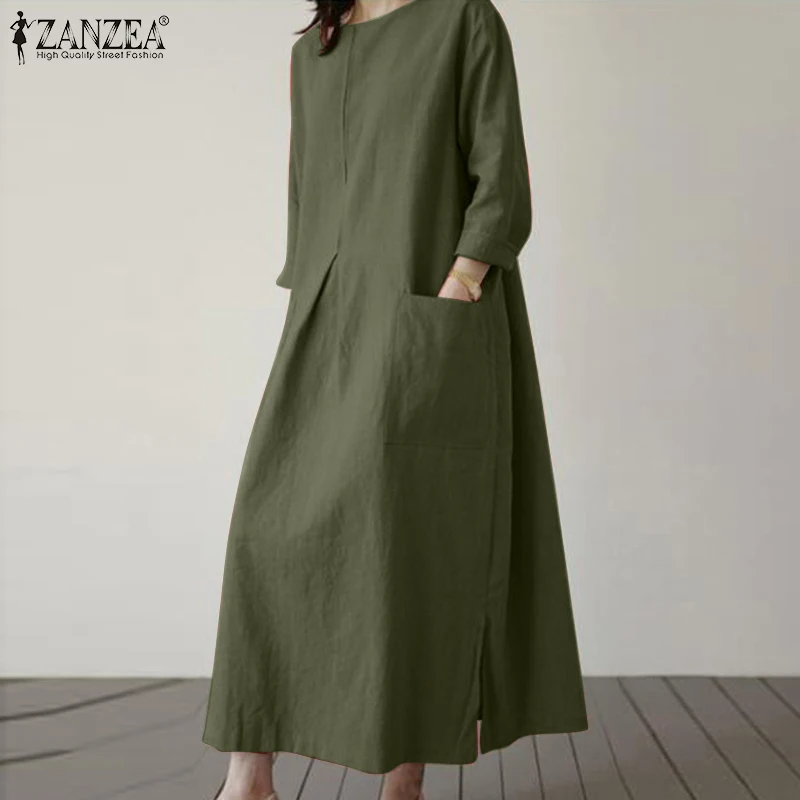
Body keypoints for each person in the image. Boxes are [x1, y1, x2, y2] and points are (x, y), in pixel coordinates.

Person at [202, 1, 588, 799]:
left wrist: (461, 283)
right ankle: (249, 776)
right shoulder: (314, 50)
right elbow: (305, 195)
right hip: (327, 321)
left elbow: (501, 173)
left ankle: (403, 780)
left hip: (431, 311)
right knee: (266, 532)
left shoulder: (463, 20)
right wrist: (313, 308)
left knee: (411, 539)